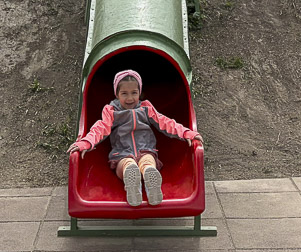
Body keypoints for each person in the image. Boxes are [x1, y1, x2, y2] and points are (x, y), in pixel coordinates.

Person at [67, 69, 202, 207]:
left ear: (139, 92)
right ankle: (132, 183)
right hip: (122, 153)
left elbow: (165, 122)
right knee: (127, 165)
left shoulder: (146, 108)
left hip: (145, 149)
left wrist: (186, 132)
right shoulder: (112, 111)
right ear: (117, 94)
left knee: (148, 162)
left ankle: (151, 182)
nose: (130, 98)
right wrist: (87, 142)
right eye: (124, 94)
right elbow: (100, 128)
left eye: (134, 93)